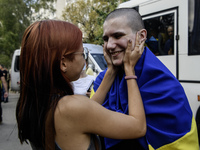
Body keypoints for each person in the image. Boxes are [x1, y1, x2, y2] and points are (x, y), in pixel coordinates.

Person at [16, 20, 146, 150]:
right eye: (82, 53)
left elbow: (90, 108)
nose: (84, 60)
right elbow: (138, 127)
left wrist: (111, 71)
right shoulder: (70, 107)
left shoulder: (35, 103)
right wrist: (129, 70)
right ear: (63, 64)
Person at [91, 8, 199, 150]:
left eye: (118, 36)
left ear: (141, 36)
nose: (110, 45)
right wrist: (110, 72)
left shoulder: (162, 83)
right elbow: (87, 116)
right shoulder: (102, 78)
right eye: (106, 39)